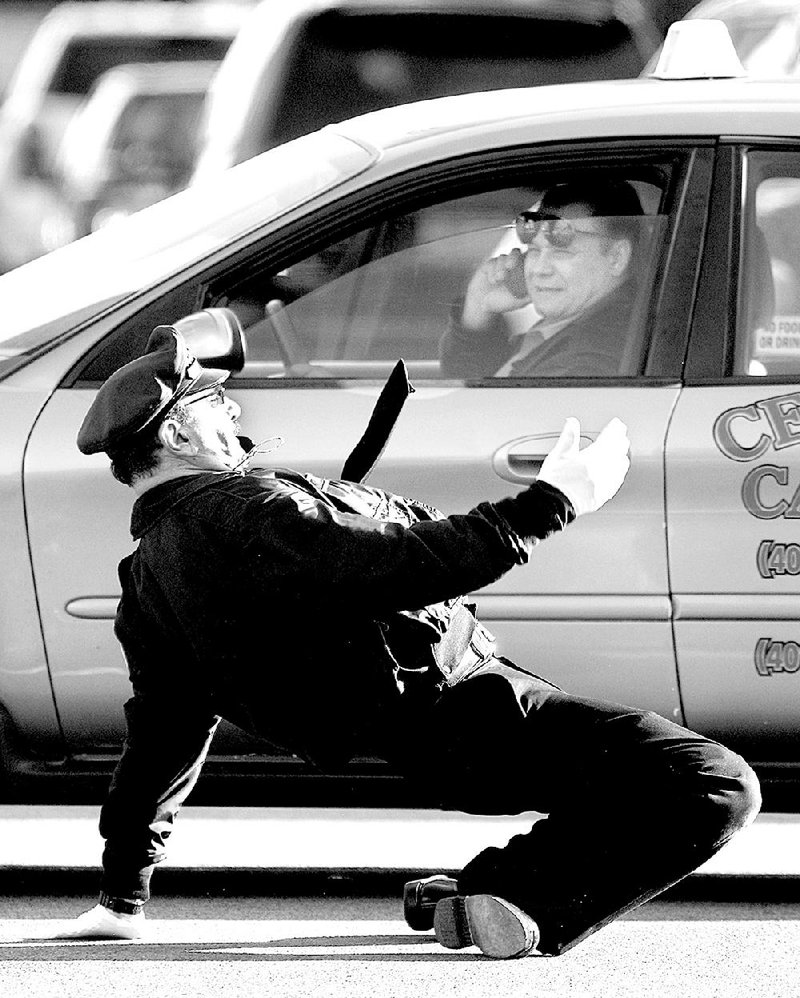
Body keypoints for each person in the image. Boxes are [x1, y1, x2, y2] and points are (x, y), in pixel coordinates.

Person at [56, 325, 760, 958]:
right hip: (477, 711)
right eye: (213, 403)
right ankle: (526, 907)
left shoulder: (146, 577)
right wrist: (555, 500)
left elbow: (162, 739)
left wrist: (124, 895)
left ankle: (469, 893)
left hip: (433, 747)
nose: (234, 410)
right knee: (713, 782)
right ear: (177, 437)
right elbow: (409, 562)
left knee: (619, 789)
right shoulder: (245, 511)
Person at [439, 179, 644, 379]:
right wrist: (479, 305)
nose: (539, 269)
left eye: (562, 252)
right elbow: (468, 385)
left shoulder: (588, 362)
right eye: (535, 250)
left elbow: (478, 407)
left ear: (617, 257)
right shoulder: (567, 332)